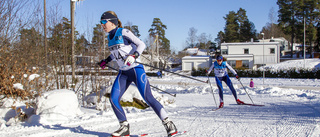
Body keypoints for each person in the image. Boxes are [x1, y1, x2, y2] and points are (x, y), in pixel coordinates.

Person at [97, 11, 177, 137]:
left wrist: (134, 55)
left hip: (135, 69)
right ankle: (124, 127)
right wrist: (106, 61)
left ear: (112, 22)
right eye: (101, 22)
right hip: (123, 72)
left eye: (103, 22)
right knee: (113, 99)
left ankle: (169, 123)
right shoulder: (109, 38)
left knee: (148, 98)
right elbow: (116, 53)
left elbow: (141, 44)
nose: (102, 25)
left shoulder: (123, 32)